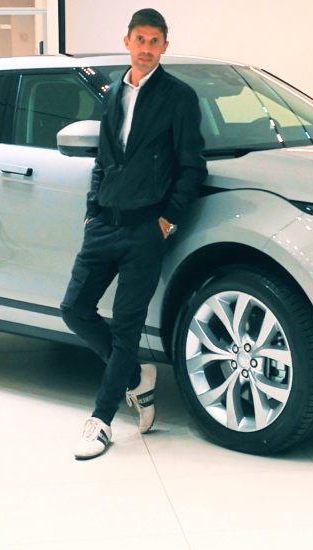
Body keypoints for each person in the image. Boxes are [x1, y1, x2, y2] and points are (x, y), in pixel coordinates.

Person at [61, 8, 206, 460]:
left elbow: (192, 166)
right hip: (104, 224)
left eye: (154, 41)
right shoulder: (113, 92)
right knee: (74, 309)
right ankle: (135, 377)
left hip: (146, 229)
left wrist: (167, 220)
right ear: (127, 41)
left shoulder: (179, 97)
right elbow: (104, 159)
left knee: (125, 329)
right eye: (140, 40)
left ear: (165, 46)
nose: (146, 49)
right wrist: (92, 209)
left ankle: (101, 421)